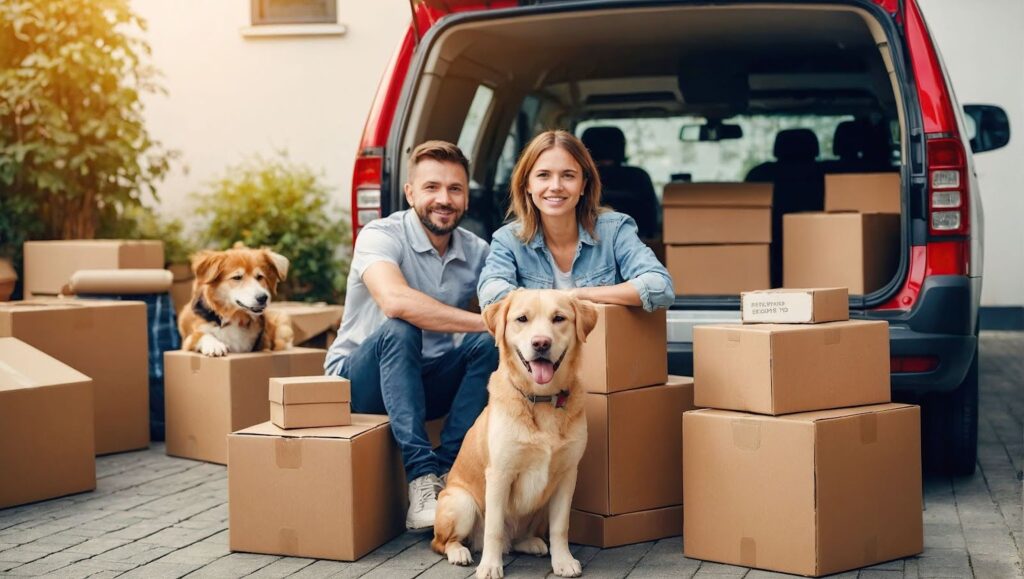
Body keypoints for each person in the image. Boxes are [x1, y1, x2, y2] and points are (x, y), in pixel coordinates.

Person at [325, 141, 497, 531]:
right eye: (431, 187)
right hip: (357, 384)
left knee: (487, 345)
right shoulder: (380, 235)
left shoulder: (478, 251)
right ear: (410, 193)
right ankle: (420, 478)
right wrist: (487, 321)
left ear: (467, 198)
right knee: (402, 328)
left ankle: (446, 468)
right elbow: (395, 302)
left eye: (455, 189)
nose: (444, 199)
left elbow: (512, 306)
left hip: (425, 380)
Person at [478, 129, 674, 310]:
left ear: (583, 185)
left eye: (568, 176)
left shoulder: (614, 229)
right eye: (543, 175)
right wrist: (551, 300)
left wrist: (576, 295)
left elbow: (660, 286)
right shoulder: (508, 239)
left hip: (604, 345)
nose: (555, 186)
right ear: (527, 184)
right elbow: (491, 294)